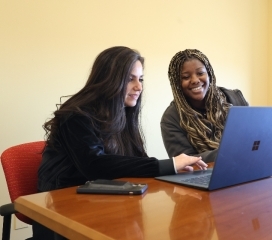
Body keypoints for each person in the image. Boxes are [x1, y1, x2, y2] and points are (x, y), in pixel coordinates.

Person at [35, 46, 207, 239]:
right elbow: (95, 165)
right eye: (130, 79)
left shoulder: (123, 112)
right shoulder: (75, 115)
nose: (139, 87)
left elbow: (135, 160)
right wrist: (169, 164)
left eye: (140, 79)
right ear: (108, 79)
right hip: (64, 209)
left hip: (106, 201)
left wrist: (172, 170)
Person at [161, 49, 249, 163]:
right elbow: (186, 163)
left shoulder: (234, 98)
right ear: (177, 83)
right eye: (186, 77)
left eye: (200, 73)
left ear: (209, 74)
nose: (195, 80)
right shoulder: (171, 118)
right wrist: (231, 152)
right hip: (205, 177)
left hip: (248, 167)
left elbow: (253, 137)